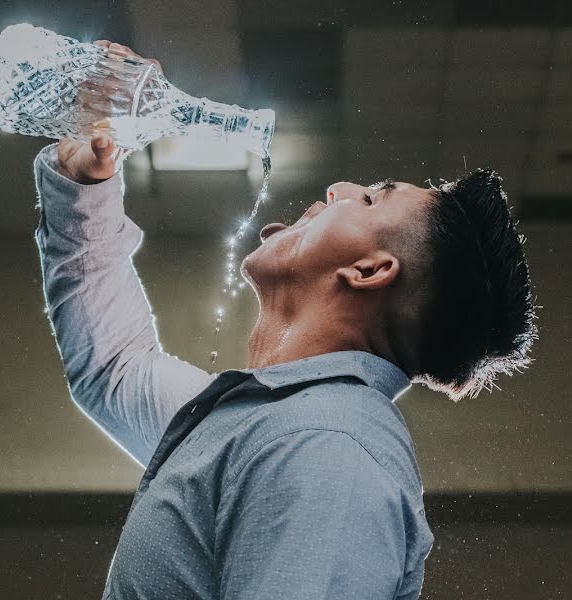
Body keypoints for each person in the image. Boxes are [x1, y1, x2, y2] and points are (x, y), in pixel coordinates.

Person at [34, 41, 536, 600]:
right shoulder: (267, 423)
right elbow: (114, 369)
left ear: (369, 270)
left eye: (369, 200)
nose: (338, 189)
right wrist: (82, 187)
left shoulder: (325, 444)